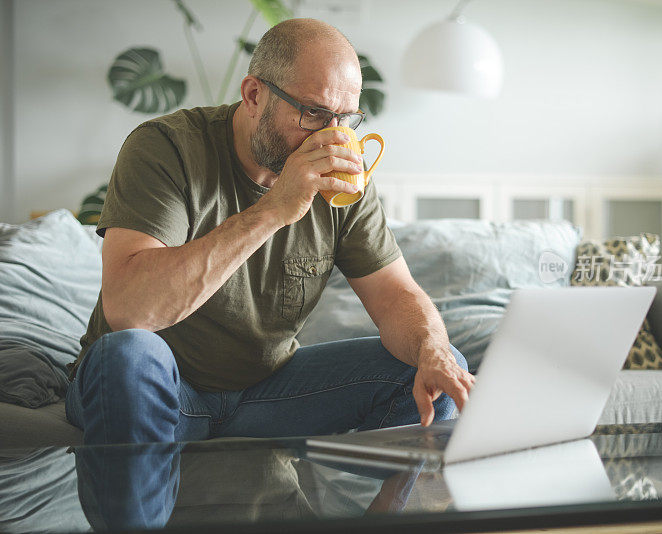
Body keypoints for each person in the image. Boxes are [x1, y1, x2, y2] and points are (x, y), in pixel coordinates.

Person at [65, 18, 474, 446]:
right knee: (125, 357)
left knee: (432, 372)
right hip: (159, 388)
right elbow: (130, 309)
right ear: (254, 95)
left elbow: (393, 293)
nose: (331, 136)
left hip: (266, 396)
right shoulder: (167, 148)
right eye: (314, 113)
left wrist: (433, 350)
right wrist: (274, 210)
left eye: (345, 118)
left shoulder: (345, 179)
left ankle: (363, 512)